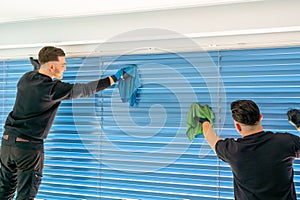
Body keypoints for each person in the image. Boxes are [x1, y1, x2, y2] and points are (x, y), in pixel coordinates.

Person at [0, 46, 129, 199]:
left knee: (4, 192)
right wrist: (114, 78)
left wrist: (39, 65)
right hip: (27, 149)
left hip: (7, 145)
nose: (65, 69)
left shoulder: (26, 78)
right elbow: (86, 89)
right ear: (52, 66)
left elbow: (37, 71)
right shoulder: (52, 89)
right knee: (26, 195)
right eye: (63, 65)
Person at [200, 99, 300, 200]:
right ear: (260, 117)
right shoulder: (285, 141)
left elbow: (210, 137)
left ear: (238, 127)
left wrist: (204, 121)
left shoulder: (233, 150)